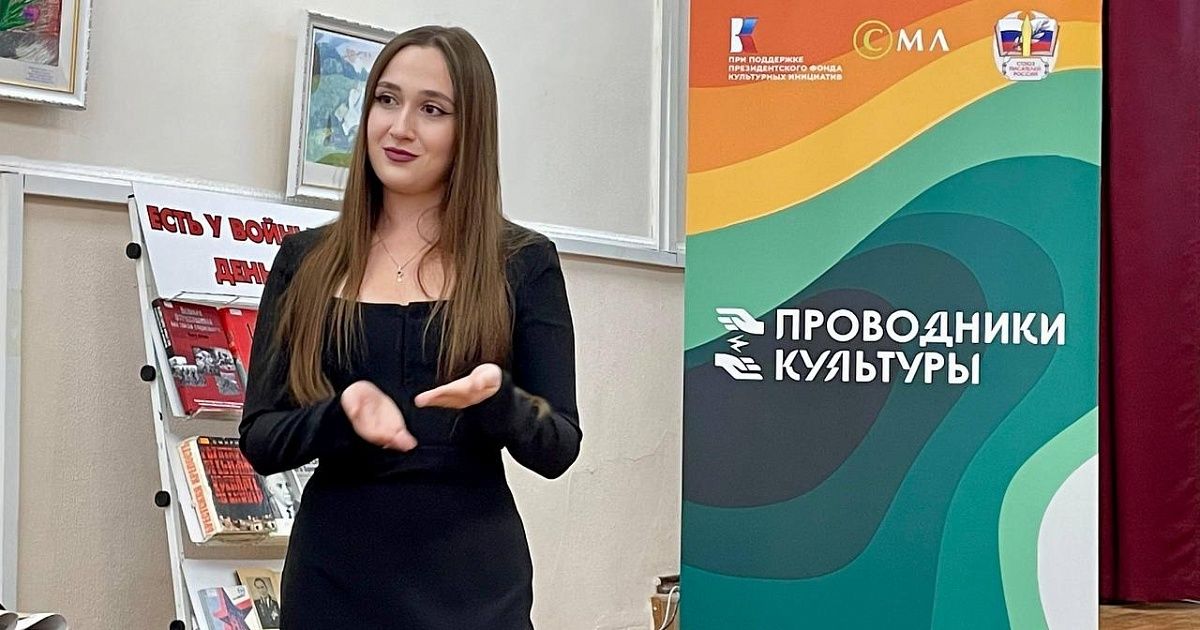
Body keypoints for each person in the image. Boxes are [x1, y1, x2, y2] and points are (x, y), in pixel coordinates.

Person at [238, 25, 581, 629]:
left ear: (470, 131)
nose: (400, 128)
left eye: (432, 110)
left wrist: (498, 399)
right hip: (332, 586)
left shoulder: (523, 262)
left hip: (474, 592)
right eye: (386, 99)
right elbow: (261, 438)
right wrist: (341, 415)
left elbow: (559, 447)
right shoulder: (305, 260)